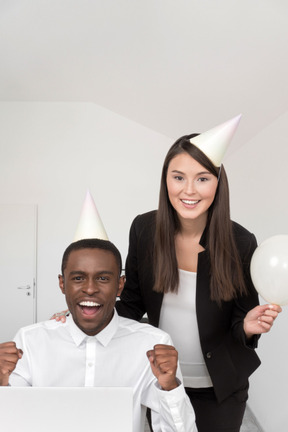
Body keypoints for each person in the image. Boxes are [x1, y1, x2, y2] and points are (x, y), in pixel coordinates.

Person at [52, 116, 282, 432]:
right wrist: (81, 316)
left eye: (202, 179)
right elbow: (130, 306)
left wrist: (247, 326)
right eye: (178, 177)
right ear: (166, 181)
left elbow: (241, 324)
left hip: (222, 389)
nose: (189, 190)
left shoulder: (241, 242)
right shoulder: (144, 230)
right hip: (161, 379)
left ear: (218, 184)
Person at [0, 238, 197, 432]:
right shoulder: (30, 340)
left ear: (120, 285)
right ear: (62, 283)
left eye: (103, 278)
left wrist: (170, 387)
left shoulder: (151, 344)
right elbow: (10, 421)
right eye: (78, 278)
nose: (90, 289)